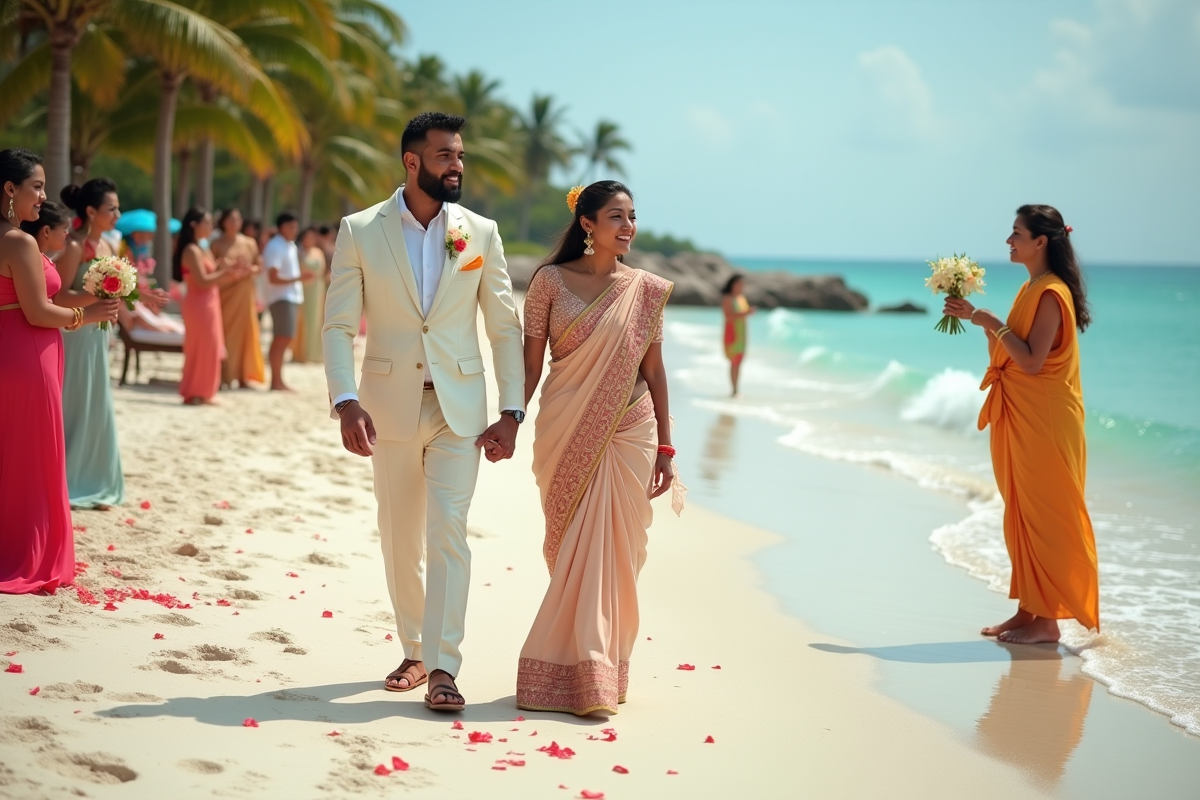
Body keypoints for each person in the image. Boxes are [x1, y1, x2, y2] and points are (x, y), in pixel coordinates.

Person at [324, 112, 525, 712]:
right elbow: (337, 325)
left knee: (449, 534)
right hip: (387, 409)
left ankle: (442, 666)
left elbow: (503, 327)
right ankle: (414, 647)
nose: (456, 165)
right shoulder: (361, 230)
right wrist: (344, 400)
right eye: (444, 156)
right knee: (399, 538)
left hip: (460, 411)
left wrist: (512, 410)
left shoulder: (481, 233)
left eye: (459, 155)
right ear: (412, 163)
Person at [515, 181, 680, 716]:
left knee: (618, 553)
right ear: (588, 223)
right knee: (571, 549)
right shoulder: (548, 282)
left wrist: (668, 448)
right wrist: (509, 420)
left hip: (633, 429)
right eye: (617, 216)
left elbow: (653, 370)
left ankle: (599, 672)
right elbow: (531, 366)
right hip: (565, 427)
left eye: (633, 217)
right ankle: (570, 670)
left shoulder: (647, 290)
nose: (629, 226)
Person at [943, 204, 1098, 644]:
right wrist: (979, 319)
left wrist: (989, 320)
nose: (1009, 241)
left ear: (1040, 242)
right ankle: (1029, 610)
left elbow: (1031, 363)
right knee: (1023, 512)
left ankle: (1048, 623)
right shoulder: (1032, 287)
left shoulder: (1051, 293)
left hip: (1048, 423)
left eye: (1016, 233)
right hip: (1026, 417)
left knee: (1047, 515)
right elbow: (1017, 349)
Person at [0, 149, 118, 594]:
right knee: (30, 460)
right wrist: (87, 318)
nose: (44, 196)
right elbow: (36, 312)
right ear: (10, 189)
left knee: (11, 458)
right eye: (37, 186)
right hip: (28, 358)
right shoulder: (18, 241)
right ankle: (25, 554)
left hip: (11, 353)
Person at [54, 177, 165, 509]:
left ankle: (96, 481)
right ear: (91, 211)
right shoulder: (74, 245)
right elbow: (58, 295)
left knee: (96, 403)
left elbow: (115, 287)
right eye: (111, 208)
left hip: (100, 333)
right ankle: (71, 482)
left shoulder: (108, 246)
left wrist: (142, 293)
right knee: (75, 403)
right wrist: (101, 293)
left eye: (117, 208)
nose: (117, 214)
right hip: (75, 332)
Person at [174, 208, 247, 405]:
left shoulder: (203, 248)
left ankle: (205, 392)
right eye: (206, 223)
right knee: (201, 347)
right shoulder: (191, 250)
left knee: (212, 348)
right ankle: (194, 392)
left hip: (209, 302)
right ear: (194, 225)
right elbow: (203, 281)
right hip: (198, 304)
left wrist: (230, 271)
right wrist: (224, 271)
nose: (210, 226)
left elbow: (213, 278)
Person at [211, 208, 265, 388]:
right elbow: (211, 269)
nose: (235, 223)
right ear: (224, 222)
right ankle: (224, 375)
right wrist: (227, 267)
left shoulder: (250, 243)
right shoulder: (217, 244)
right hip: (225, 293)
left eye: (238, 219)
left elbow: (259, 266)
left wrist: (250, 269)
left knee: (245, 334)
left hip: (244, 295)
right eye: (231, 219)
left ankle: (243, 376)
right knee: (225, 334)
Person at [261, 212, 308, 390]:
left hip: (290, 297)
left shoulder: (289, 246)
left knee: (284, 338)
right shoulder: (275, 246)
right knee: (281, 338)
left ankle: (277, 380)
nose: (295, 230)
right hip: (280, 297)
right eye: (292, 226)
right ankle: (276, 381)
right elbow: (273, 277)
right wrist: (298, 278)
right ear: (282, 227)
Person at [291, 226, 326, 364]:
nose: (309, 240)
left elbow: (322, 270)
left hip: (316, 289)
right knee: (302, 320)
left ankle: (315, 353)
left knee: (316, 320)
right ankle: (300, 353)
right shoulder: (298, 252)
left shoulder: (318, 252)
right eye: (306, 237)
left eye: (311, 237)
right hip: (302, 288)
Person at [721, 273, 754, 396]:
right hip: (732, 333)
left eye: (742, 284)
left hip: (742, 334)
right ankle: (734, 390)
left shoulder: (741, 298)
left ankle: (736, 389)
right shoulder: (728, 298)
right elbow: (728, 316)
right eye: (739, 284)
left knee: (739, 361)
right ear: (732, 285)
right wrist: (745, 313)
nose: (741, 286)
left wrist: (746, 313)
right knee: (734, 361)